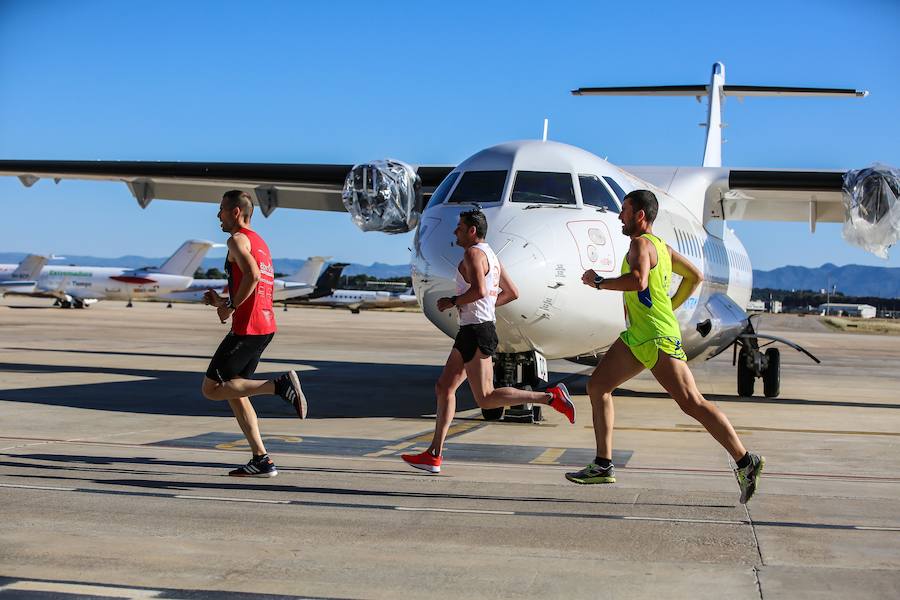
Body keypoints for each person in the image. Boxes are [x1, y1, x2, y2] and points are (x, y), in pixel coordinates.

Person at [566, 189, 764, 504]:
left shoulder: (640, 245)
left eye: (624, 210)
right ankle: (603, 464)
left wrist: (600, 282)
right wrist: (670, 305)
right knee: (598, 385)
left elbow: (638, 282)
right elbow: (695, 276)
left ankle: (745, 460)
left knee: (692, 403)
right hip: (638, 336)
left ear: (639, 215)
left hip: (656, 337)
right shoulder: (662, 246)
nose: (620, 216)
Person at [401, 208, 576, 474]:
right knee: (444, 387)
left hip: (477, 331)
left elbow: (480, 290)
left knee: (485, 398)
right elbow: (512, 292)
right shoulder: (492, 256)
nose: (455, 231)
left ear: (472, 230)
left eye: (459, 227)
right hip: (473, 328)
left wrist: (454, 302)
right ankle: (434, 454)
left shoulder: (473, 254)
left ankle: (549, 397)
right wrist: (483, 306)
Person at [201, 190, 307, 478]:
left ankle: (279, 386)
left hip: (247, 329)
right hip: (263, 326)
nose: (218, 216)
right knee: (234, 391)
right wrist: (221, 303)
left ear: (236, 212)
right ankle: (261, 459)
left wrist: (231, 306)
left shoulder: (236, 239)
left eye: (221, 209)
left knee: (211, 390)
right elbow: (255, 288)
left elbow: (253, 277)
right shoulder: (259, 242)